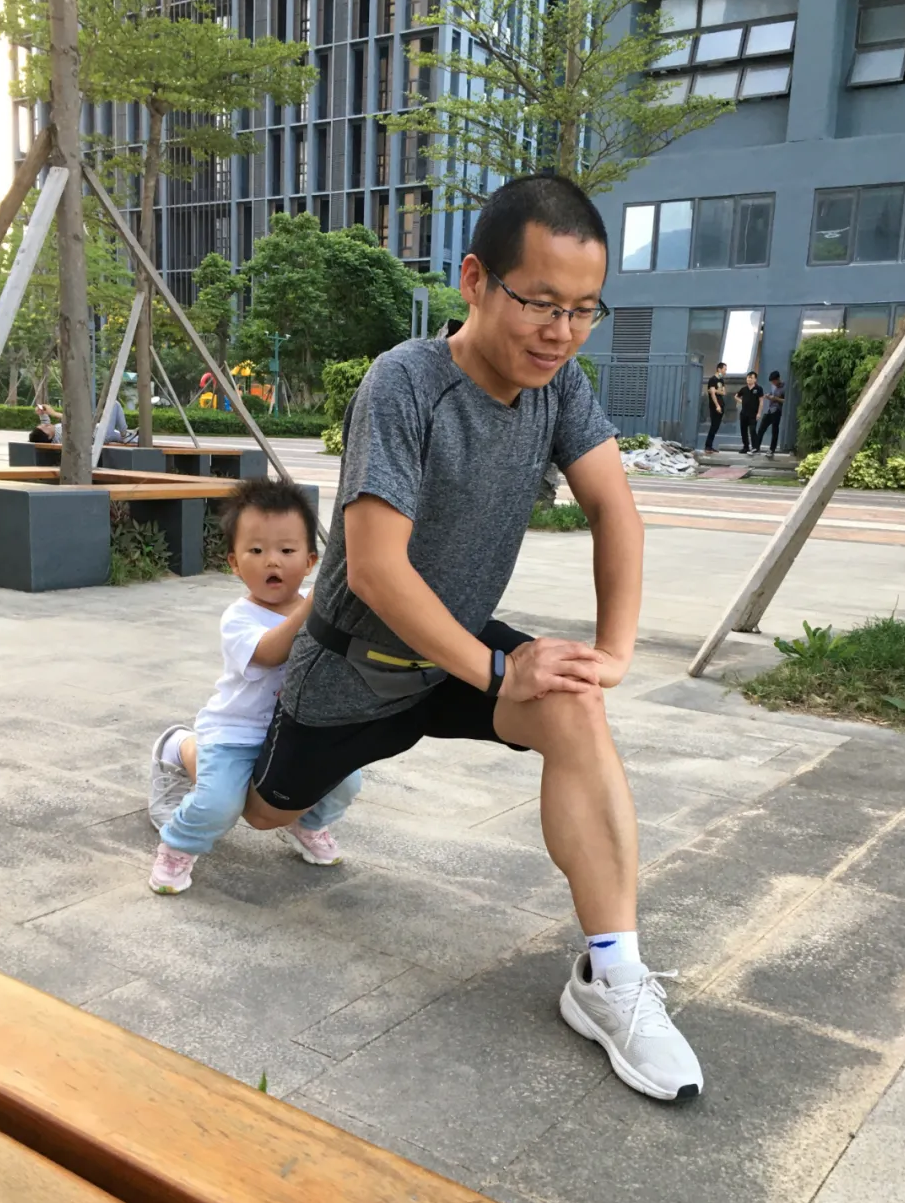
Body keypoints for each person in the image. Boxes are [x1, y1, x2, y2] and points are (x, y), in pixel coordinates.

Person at [239, 174, 703, 1102]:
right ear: (475, 280)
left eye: (583, 309)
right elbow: (377, 570)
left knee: (573, 703)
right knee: (262, 814)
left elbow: (615, 508)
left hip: (457, 655)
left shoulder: (559, 388)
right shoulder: (406, 383)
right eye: (540, 302)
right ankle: (188, 751)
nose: (560, 332)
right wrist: (497, 669)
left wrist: (611, 654)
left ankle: (609, 975)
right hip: (355, 667)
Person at [147, 477, 362, 896]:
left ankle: (308, 824)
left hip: (299, 730)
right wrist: (315, 606)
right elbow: (269, 653)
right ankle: (178, 844)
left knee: (347, 782)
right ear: (234, 562)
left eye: (286, 551)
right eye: (256, 551)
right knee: (220, 804)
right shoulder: (239, 617)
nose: (272, 562)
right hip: (236, 732)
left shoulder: (317, 607)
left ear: (311, 560)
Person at [753, 370, 786, 457]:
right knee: (761, 428)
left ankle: (771, 450)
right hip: (769, 410)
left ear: (778, 379)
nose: (773, 383)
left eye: (774, 381)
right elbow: (772, 394)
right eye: (772, 382)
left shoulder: (784, 387)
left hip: (777, 410)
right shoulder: (773, 386)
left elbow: (786, 400)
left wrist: (775, 398)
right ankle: (756, 447)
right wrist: (768, 396)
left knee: (774, 431)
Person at [735, 371, 764, 455]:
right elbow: (736, 396)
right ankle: (746, 447)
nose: (749, 379)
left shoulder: (758, 389)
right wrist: (742, 401)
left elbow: (761, 401)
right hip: (744, 413)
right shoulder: (744, 389)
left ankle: (755, 447)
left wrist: (759, 413)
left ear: (755, 379)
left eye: (751, 378)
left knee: (752, 430)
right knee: (743, 431)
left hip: (753, 414)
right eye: (748, 377)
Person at [705, 362, 727, 453]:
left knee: (716, 426)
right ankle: (708, 446)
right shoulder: (712, 380)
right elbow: (713, 394)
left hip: (721, 404)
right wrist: (717, 405)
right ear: (719, 369)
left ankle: (710, 445)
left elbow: (723, 392)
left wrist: (716, 391)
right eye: (724, 369)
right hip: (715, 406)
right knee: (714, 425)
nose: (725, 371)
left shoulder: (721, 380)